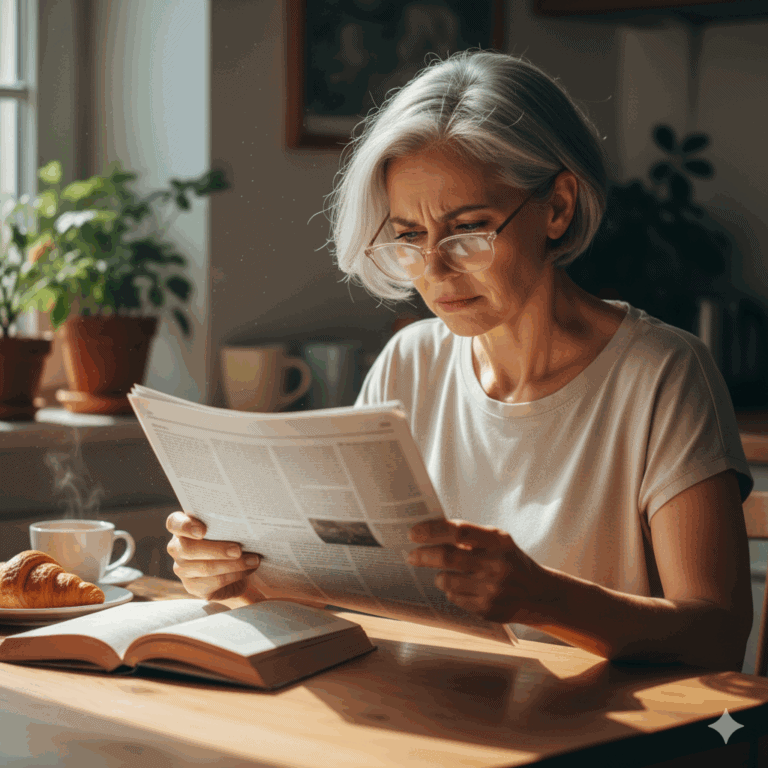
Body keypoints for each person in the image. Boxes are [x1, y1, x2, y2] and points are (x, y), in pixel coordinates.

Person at [167, 50, 754, 670]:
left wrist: (543, 598)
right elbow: (355, 589)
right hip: (433, 721)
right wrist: (240, 574)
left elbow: (717, 633)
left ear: (557, 207)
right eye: (410, 237)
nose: (435, 269)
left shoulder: (662, 373)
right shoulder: (407, 364)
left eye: (469, 228)